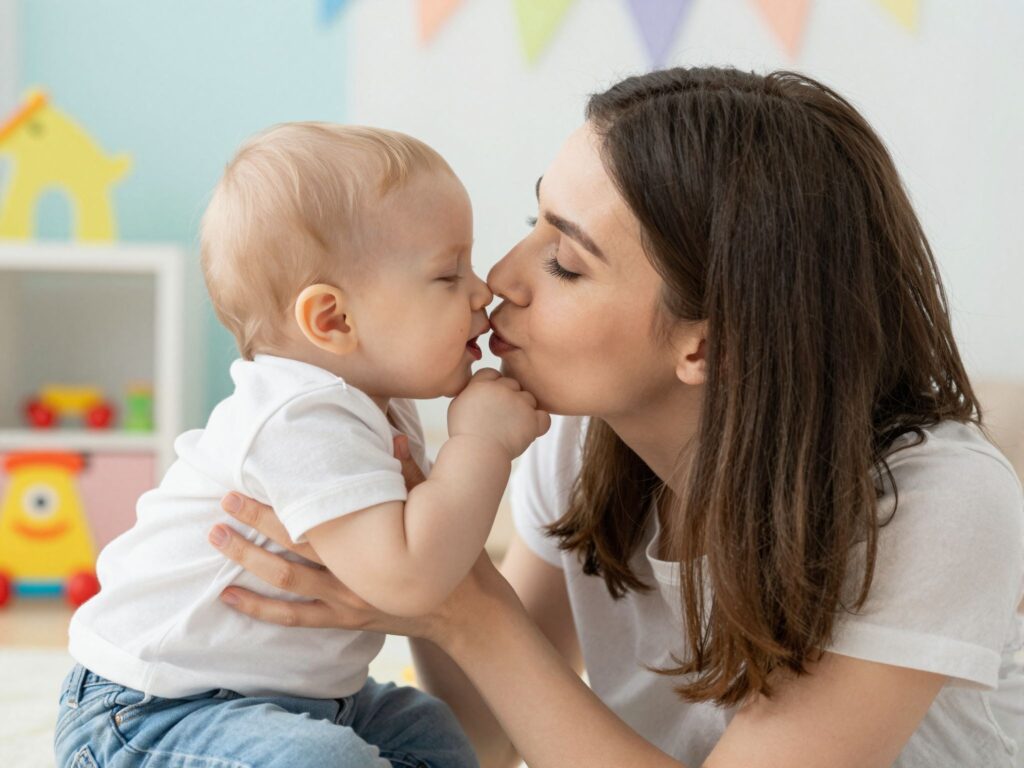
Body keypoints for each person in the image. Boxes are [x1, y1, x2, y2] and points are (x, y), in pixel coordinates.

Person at [208, 68, 1024, 767]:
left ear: (706, 347)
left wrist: (459, 600)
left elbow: (485, 631)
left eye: (564, 262)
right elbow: (489, 736)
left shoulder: (935, 504)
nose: (498, 279)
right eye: (535, 223)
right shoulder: (573, 437)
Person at [54, 122, 549, 768]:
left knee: (431, 736)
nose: (482, 290)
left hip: (306, 698)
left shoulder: (374, 400)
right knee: (322, 762)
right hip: (154, 710)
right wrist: (481, 443)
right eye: (448, 274)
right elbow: (407, 578)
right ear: (333, 320)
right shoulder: (299, 414)